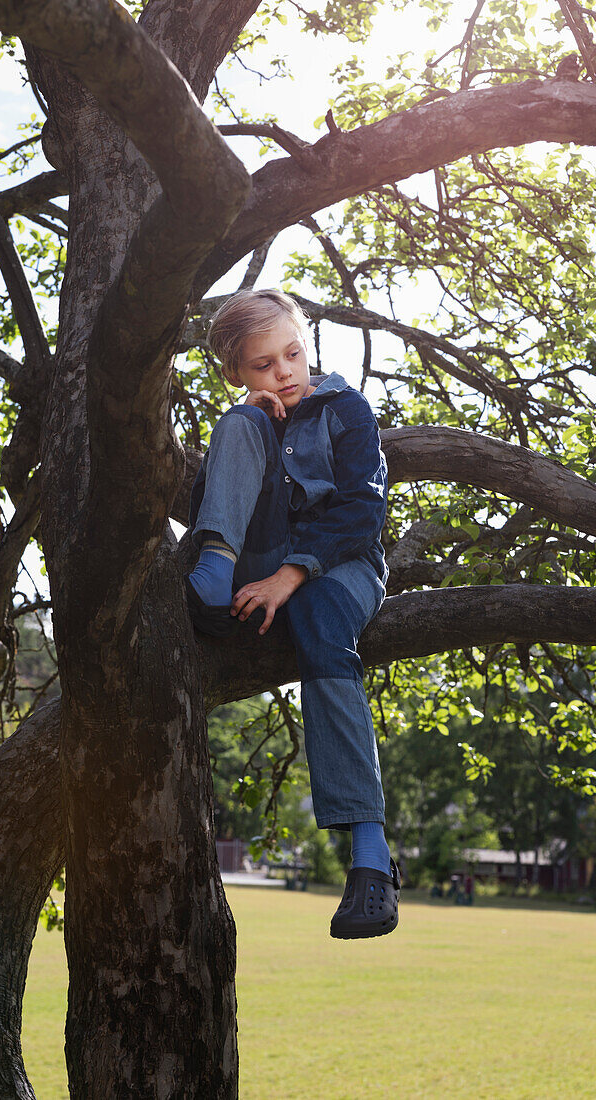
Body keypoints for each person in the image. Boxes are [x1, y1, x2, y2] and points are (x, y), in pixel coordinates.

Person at [185, 288, 399, 939]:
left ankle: (370, 863)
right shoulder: (248, 418)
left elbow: (364, 513)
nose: (284, 372)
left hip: (343, 566)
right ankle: (212, 578)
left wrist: (291, 575)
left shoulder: (346, 410)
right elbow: (209, 501)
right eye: (263, 365)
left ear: (305, 343)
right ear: (236, 373)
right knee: (237, 427)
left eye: (292, 353)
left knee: (321, 626)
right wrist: (251, 421)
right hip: (255, 560)